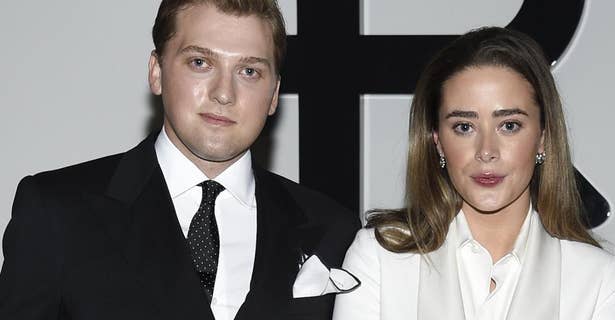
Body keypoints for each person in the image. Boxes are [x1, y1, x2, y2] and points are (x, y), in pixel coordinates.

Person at [0, 1, 359, 319]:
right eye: (200, 62)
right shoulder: (58, 212)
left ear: (274, 94)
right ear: (156, 71)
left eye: (249, 71)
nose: (223, 93)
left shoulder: (333, 229)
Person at [332, 27, 615, 320]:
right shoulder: (379, 257)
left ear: (543, 137)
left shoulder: (599, 281)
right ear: (437, 141)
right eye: (464, 126)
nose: (486, 150)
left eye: (509, 125)